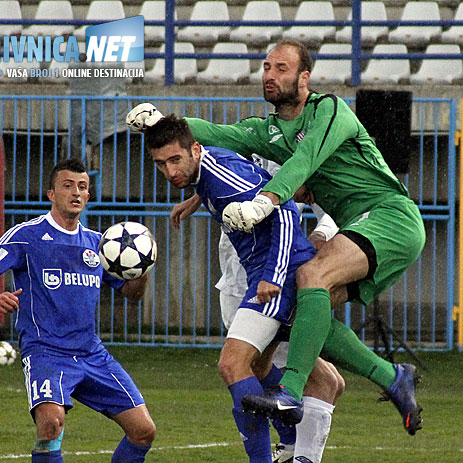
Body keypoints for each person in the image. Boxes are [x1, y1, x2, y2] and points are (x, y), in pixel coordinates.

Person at [126, 39, 425, 435]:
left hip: (391, 216)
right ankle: (391, 376)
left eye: (282, 68)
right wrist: (159, 122)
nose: (270, 74)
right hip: (364, 225)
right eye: (266, 67)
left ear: (305, 77)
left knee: (310, 276)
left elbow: (304, 161)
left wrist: (264, 202)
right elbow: (212, 135)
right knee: (303, 311)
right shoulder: (266, 130)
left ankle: (291, 391)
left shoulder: (330, 110)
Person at [148, 115, 345, 463]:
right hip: (259, 275)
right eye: (161, 165)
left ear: (195, 150)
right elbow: (217, 176)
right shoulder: (206, 169)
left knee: (239, 365)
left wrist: (273, 275)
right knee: (252, 370)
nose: (170, 171)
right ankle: (287, 450)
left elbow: (287, 214)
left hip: (275, 277)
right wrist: (195, 199)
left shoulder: (222, 172)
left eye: (175, 161)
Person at [0, 158, 155, 463]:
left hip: (91, 354)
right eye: (68, 186)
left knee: (143, 430)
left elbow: (130, 296)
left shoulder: (99, 245)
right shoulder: (27, 236)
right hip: (46, 351)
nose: (77, 193)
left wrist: (142, 269)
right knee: (51, 423)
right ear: (52, 193)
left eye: (83, 187)